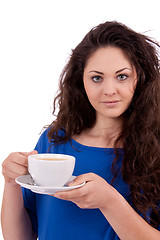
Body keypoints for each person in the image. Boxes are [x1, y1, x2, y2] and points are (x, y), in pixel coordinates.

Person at [1, 21, 160, 240]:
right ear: (81, 81)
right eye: (97, 78)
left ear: (140, 78)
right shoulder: (54, 141)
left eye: (122, 76)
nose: (109, 90)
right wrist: (11, 183)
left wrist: (110, 202)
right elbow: (18, 237)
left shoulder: (156, 151)